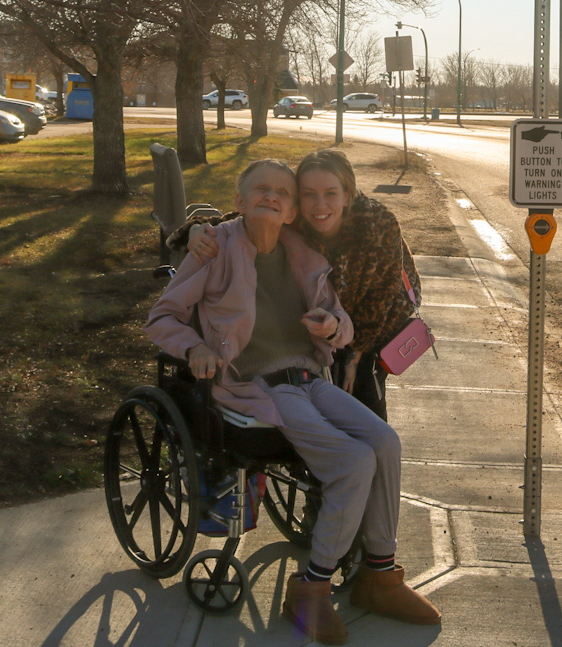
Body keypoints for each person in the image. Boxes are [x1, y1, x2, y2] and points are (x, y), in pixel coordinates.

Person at [146, 159, 441, 645]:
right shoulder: (215, 249)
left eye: (283, 192)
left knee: (385, 442)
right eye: (260, 189)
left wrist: (332, 326)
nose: (272, 197)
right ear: (238, 203)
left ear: (291, 213)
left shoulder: (302, 252)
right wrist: (195, 346)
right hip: (254, 386)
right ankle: (311, 588)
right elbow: (163, 317)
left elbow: (343, 322)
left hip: (310, 378)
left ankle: (380, 575)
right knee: (352, 460)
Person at [168, 149, 420, 421]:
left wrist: (356, 355)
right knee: (328, 391)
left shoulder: (378, 224)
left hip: (380, 314)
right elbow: (244, 218)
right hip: (331, 315)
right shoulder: (296, 217)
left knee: (362, 390)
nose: (319, 205)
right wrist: (196, 230)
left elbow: (380, 298)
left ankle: (374, 445)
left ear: (347, 195)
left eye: (331, 193)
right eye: (309, 194)